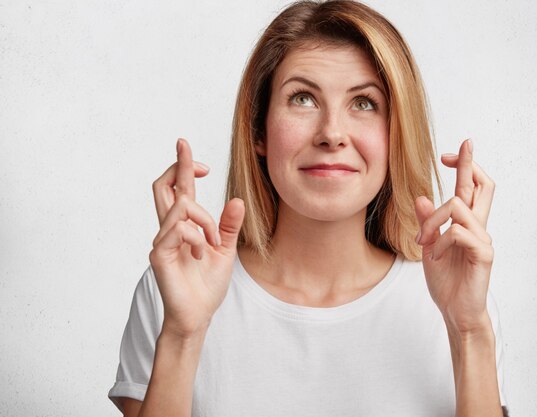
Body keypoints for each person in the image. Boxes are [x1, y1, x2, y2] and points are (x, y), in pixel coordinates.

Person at [108, 1, 508, 416]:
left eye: (365, 103)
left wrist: (469, 331)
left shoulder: (455, 300)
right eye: (302, 98)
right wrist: (182, 333)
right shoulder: (176, 288)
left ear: (395, 136)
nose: (332, 133)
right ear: (258, 129)